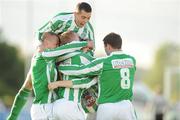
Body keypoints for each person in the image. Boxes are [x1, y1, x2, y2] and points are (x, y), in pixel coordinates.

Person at [7, 31, 92, 120]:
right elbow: (66, 48)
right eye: (56, 44)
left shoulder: (50, 59)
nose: (58, 47)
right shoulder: (44, 55)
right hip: (43, 108)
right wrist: (86, 43)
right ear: (47, 43)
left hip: (49, 107)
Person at [59, 32, 137, 120]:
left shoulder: (103, 62)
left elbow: (80, 71)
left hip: (107, 106)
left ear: (108, 46)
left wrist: (61, 67)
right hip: (126, 106)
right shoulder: (132, 60)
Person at [48, 31, 98, 120]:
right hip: (71, 106)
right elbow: (85, 81)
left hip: (56, 106)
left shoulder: (59, 58)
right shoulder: (84, 58)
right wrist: (95, 79)